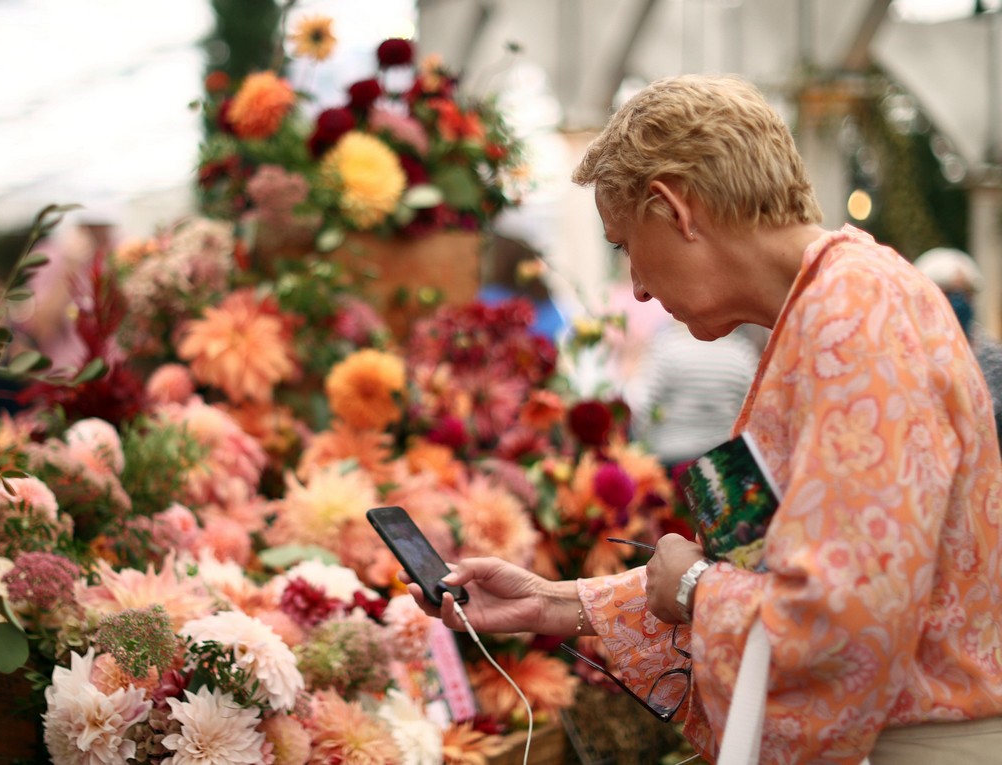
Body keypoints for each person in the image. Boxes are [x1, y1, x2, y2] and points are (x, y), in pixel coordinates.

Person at [408, 75, 1002, 763]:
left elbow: (843, 621)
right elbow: (789, 573)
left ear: (675, 208)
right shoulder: (836, 302)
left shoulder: (854, 313)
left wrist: (694, 586)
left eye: (626, 244)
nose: (635, 286)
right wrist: (554, 601)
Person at [630, 320, 760, 468]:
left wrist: (640, 445)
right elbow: (752, 411)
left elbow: (645, 405)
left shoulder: (666, 347)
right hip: (721, 461)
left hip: (670, 457)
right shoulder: (742, 352)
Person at [912, 246, 1002, 447]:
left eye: (966, 293)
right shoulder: (907, 353)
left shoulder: (995, 358)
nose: (959, 301)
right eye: (948, 292)